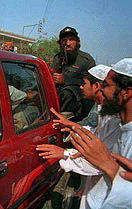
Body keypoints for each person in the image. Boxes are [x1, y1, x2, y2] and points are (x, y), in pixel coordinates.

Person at [63, 58, 132, 208]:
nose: (101, 90)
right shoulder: (122, 126)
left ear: (126, 92)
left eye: (105, 85)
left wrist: (109, 165)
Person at [53, 26, 96, 122]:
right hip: (59, 99)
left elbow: (92, 85)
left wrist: (66, 80)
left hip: (80, 105)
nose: (68, 44)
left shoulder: (86, 60)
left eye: (71, 40)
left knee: (68, 93)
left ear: (78, 42)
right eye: (64, 40)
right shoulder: (57, 58)